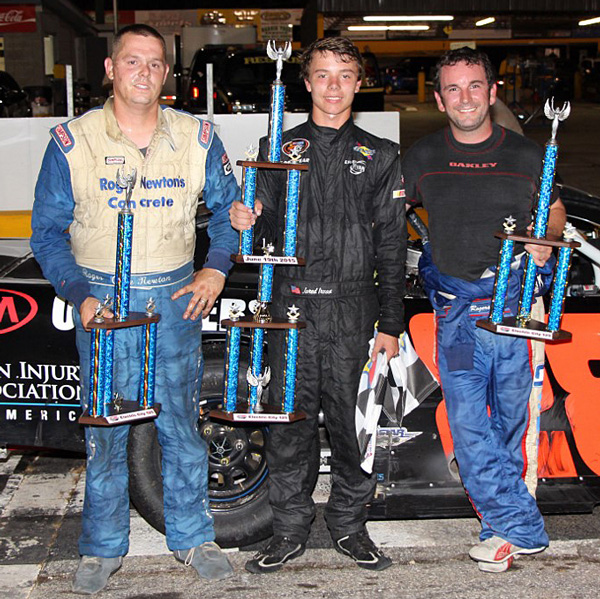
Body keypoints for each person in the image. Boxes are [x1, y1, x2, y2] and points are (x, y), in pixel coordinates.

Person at [30, 24, 239, 594]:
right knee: (107, 431)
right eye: (132, 61)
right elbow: (46, 233)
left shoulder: (197, 138)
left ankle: (193, 537)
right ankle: (101, 547)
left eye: (154, 63)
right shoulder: (72, 141)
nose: (143, 72)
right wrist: (80, 295)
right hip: (103, 304)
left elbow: (229, 212)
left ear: (166, 73)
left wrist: (216, 268)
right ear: (110, 68)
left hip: (174, 301)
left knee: (181, 424)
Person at [229, 37, 406, 574]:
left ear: (359, 84)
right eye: (323, 74)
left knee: (356, 429)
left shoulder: (381, 154)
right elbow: (259, 232)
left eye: (345, 75)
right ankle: (288, 530)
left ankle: (350, 526)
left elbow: (392, 245)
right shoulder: (277, 148)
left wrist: (390, 322)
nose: (333, 86)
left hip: (354, 311)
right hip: (291, 310)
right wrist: (245, 217)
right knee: (289, 429)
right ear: (305, 83)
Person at [402, 47, 567, 573]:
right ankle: (523, 529)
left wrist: (546, 238)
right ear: (439, 100)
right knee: (471, 429)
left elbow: (555, 212)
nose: (465, 97)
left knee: (510, 429)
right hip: (456, 318)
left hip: (515, 313)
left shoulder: (527, 155)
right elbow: (381, 213)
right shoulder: (423, 156)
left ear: (493, 93)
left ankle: (500, 531)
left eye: (475, 86)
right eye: (453, 88)